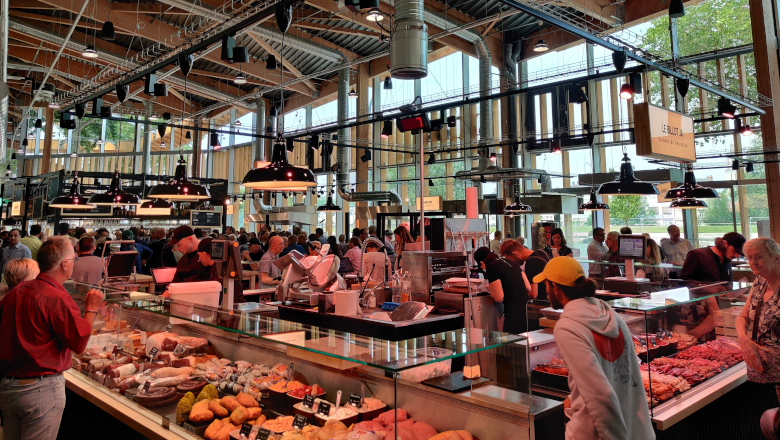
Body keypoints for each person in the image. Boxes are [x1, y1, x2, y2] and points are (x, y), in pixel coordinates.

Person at [532, 256, 655, 440]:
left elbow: (600, 395)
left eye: (547, 285)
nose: (546, 291)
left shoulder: (568, 327)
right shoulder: (611, 315)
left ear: (556, 288)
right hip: (636, 430)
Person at [0, 237, 104, 440]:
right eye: (74, 260)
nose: (74, 264)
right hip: (39, 390)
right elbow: (78, 343)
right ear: (65, 264)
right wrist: (91, 308)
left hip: (9, 387)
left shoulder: (18, 291)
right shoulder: (56, 296)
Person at [736, 238, 780, 401]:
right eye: (749, 257)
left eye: (759, 257)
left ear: (776, 257)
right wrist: (744, 340)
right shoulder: (760, 281)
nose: (753, 262)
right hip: (763, 372)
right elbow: (743, 316)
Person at [474, 247, 532, 333]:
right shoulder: (511, 262)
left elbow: (498, 297)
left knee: (511, 345)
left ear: (482, 263)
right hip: (527, 313)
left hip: (513, 316)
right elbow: (528, 287)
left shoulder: (491, 267)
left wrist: (490, 289)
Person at [195, 238, 246, 304]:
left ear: (205, 254)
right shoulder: (216, 267)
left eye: (199, 255)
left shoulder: (221, 270)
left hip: (234, 308)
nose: (199, 259)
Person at [681, 232, 745, 284]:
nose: (737, 256)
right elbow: (684, 280)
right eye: (734, 251)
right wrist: (703, 287)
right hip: (699, 298)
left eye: (739, 254)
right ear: (725, 244)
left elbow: (726, 288)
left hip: (720, 299)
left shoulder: (727, 260)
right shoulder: (697, 254)